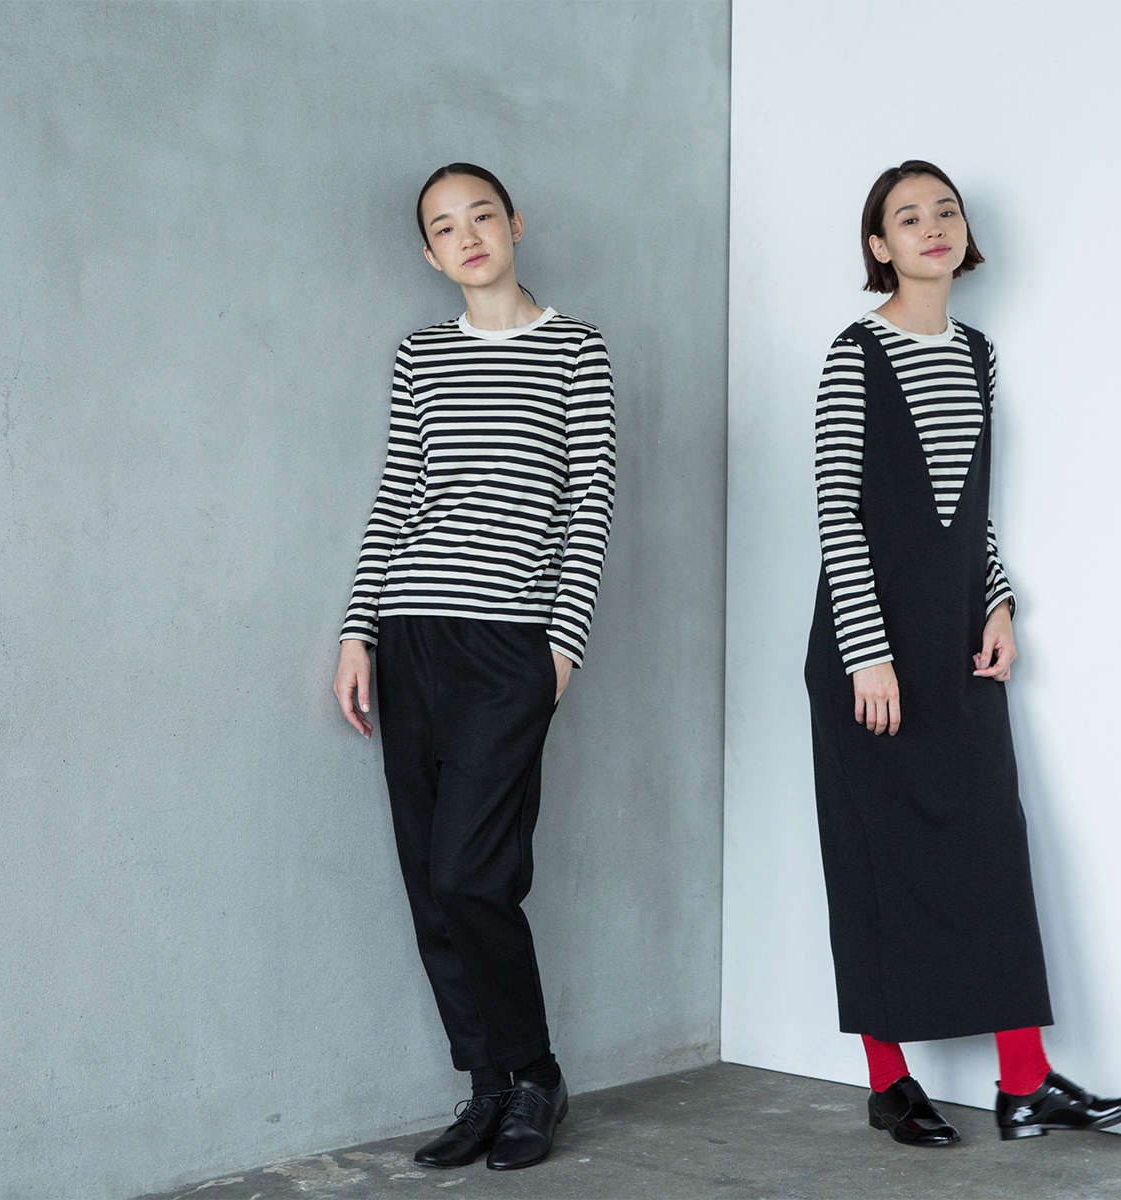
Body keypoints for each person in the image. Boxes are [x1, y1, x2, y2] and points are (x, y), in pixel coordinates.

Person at [803, 160, 1121, 1147]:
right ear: (880, 245)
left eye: (945, 210)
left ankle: (1025, 1085)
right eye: (907, 216)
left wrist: (996, 601)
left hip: (957, 645)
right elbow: (837, 509)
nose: (933, 226)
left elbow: (973, 506)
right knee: (873, 856)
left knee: (990, 844)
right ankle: (888, 1082)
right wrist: (868, 653)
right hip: (869, 652)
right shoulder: (855, 353)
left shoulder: (977, 354)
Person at [333, 162, 616, 1172]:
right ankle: (488, 1085)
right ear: (430, 252)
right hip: (411, 630)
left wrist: (562, 647)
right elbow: (398, 495)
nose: (468, 236)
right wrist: (358, 631)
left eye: (481, 216)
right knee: (430, 879)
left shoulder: (577, 348)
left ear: (514, 224)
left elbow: (589, 502)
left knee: (472, 873)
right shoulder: (422, 353)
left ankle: (536, 1074)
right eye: (445, 227)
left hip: (509, 644)